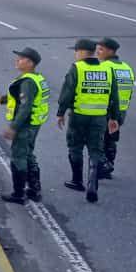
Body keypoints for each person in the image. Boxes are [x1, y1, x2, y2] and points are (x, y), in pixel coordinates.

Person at [57, 39, 120, 203]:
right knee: (95, 149)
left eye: (76, 51)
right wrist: (114, 118)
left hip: (79, 116)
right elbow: (114, 97)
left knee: (75, 146)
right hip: (100, 117)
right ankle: (93, 183)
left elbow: (67, 93)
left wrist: (60, 113)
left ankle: (77, 181)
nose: (74, 54)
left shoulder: (77, 68)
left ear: (82, 52)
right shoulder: (107, 70)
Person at [0, 47, 50, 204]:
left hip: (25, 125)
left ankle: (18, 194)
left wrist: (13, 127)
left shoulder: (28, 82)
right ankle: (34, 190)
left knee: (18, 157)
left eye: (21, 58)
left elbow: (25, 107)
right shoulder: (36, 78)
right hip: (34, 124)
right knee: (28, 154)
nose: (17, 60)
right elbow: (22, 98)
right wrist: (3, 99)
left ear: (30, 63)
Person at [96, 37, 133, 180]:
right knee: (111, 139)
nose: (97, 52)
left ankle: (103, 166)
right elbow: (129, 92)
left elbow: (105, 91)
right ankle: (109, 167)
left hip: (106, 111)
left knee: (98, 140)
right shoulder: (126, 67)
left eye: (101, 49)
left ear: (111, 51)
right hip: (121, 111)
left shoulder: (105, 67)